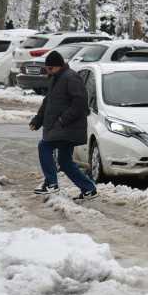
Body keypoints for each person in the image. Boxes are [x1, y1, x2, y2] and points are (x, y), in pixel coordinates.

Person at [29, 51, 98, 201]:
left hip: (68, 127)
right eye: (47, 68)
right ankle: (89, 189)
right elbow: (48, 102)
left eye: (50, 68)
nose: (48, 71)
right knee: (65, 162)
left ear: (58, 66)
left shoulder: (71, 78)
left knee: (44, 146)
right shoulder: (56, 78)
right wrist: (38, 120)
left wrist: (62, 120)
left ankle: (51, 183)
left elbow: (80, 103)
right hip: (62, 127)